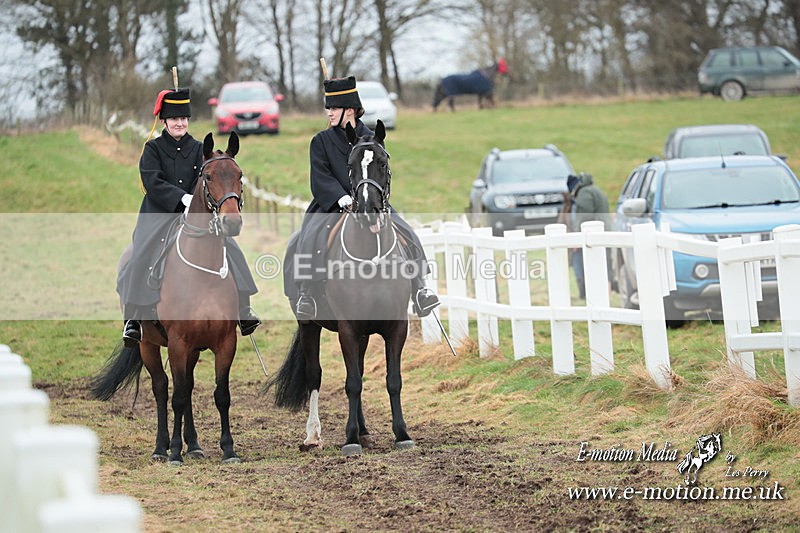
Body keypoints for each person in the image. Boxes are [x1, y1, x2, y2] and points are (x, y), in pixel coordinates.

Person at [287, 75, 439, 320]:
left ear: (350, 109)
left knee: (406, 232)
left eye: (333, 107)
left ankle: (420, 287)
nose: (329, 113)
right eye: (328, 108)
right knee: (309, 236)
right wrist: (343, 198)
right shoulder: (320, 141)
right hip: (332, 205)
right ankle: (307, 292)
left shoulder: (372, 138)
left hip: (371, 203)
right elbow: (320, 178)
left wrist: (373, 200)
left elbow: (381, 173)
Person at [118, 87, 260, 346]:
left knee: (232, 249)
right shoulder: (152, 149)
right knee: (140, 255)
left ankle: (243, 310)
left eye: (183, 119)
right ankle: (134, 318)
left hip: (197, 216)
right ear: (164, 121)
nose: (179, 123)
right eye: (174, 119)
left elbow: (212, 178)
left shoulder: (199, 148)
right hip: (159, 214)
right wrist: (181, 198)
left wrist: (202, 203)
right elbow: (152, 182)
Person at [566, 172, 612, 299]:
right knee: (605, 265)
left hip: (596, 234)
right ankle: (605, 296)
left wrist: (577, 237)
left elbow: (584, 217)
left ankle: (601, 297)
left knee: (599, 267)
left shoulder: (584, 194)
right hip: (606, 232)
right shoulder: (595, 190)